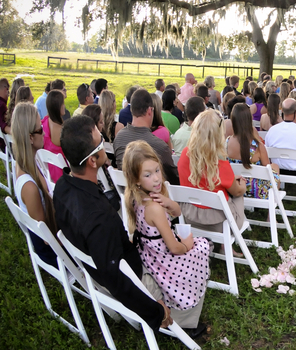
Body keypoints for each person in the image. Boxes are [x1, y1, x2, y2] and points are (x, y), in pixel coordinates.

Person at [54, 115, 173, 332]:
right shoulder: (98, 218)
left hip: (98, 266)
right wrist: (155, 312)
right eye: (101, 142)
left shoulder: (61, 187)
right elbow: (116, 279)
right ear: (92, 161)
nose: (104, 144)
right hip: (133, 280)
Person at [123, 141, 210, 336]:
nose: (156, 179)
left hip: (151, 254)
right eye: (148, 174)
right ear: (136, 179)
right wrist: (187, 245)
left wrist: (170, 203)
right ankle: (187, 309)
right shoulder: (153, 208)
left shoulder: (136, 197)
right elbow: (174, 248)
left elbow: (177, 212)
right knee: (202, 248)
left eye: (157, 171)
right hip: (164, 259)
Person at [177, 110, 247, 235]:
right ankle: (224, 244)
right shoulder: (220, 165)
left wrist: (229, 179)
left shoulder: (184, 155)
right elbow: (237, 191)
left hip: (190, 218)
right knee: (238, 195)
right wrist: (242, 185)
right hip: (220, 225)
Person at [11, 103, 58, 265]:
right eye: (40, 129)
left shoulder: (26, 161)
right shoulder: (29, 186)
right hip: (52, 250)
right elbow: (46, 237)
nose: (44, 133)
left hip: (53, 233)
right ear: (30, 137)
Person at [114, 89, 179, 184]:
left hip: (126, 193)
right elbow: (174, 179)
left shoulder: (119, 137)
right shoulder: (159, 146)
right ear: (150, 110)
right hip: (152, 196)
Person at [227, 103, 279, 199]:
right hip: (256, 190)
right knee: (274, 167)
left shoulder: (226, 143)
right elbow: (267, 171)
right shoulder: (257, 146)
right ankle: (271, 209)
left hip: (234, 186)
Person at [42, 90, 66, 182]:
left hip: (49, 169)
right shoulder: (61, 130)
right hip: (61, 173)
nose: (64, 106)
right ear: (57, 106)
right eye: (62, 103)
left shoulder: (45, 121)